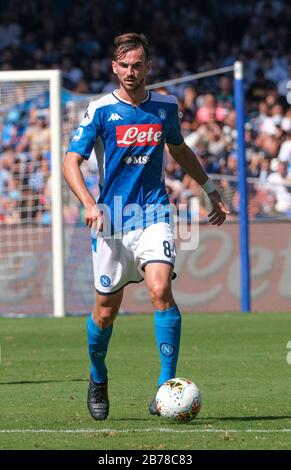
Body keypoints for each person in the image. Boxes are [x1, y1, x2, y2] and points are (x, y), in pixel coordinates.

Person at [63, 32, 229, 421]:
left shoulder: (165, 108)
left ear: (148, 67)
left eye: (138, 65)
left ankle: (164, 389)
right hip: (112, 220)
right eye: (124, 65)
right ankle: (98, 375)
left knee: (160, 289)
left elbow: (179, 149)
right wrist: (89, 203)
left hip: (154, 213)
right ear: (114, 67)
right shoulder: (100, 110)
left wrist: (209, 189)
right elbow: (71, 161)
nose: (131, 72)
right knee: (105, 313)